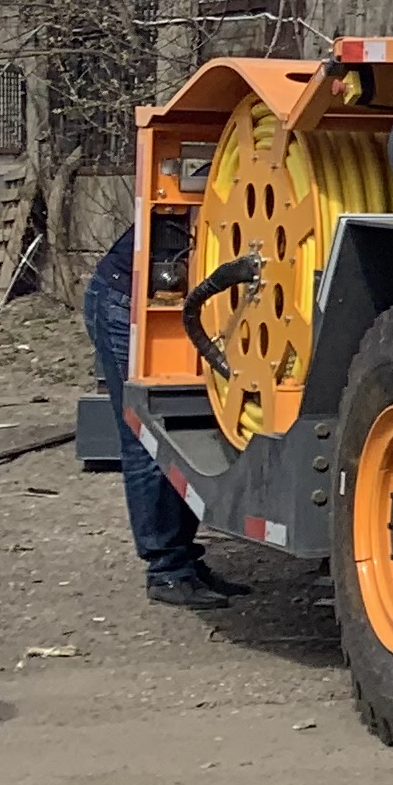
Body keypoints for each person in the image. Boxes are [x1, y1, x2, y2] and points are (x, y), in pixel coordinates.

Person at [82, 231, 241, 612]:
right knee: (147, 436)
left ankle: (183, 560)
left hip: (175, 304)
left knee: (184, 430)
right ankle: (166, 570)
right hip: (129, 303)